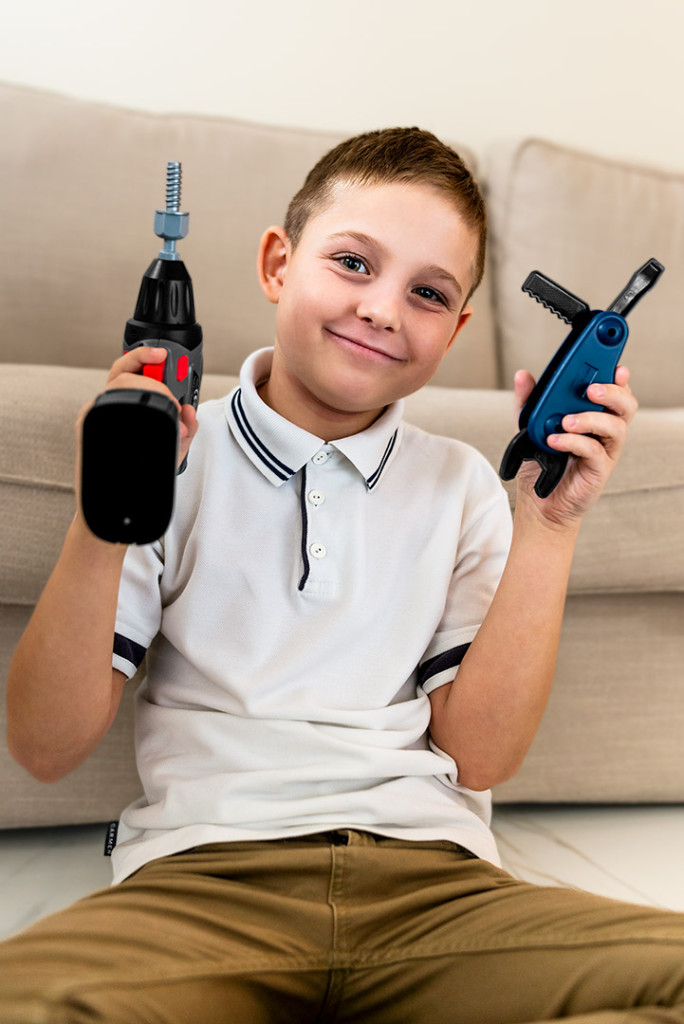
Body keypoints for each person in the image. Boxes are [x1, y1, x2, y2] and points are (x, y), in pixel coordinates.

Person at [2, 127, 683, 1024]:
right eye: (354, 263)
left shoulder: (464, 486)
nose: (383, 310)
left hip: (433, 890)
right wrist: (107, 515)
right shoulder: (172, 457)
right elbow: (45, 746)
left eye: (428, 293)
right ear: (278, 264)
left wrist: (550, 527)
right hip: (204, 883)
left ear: (455, 331)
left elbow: (482, 756)